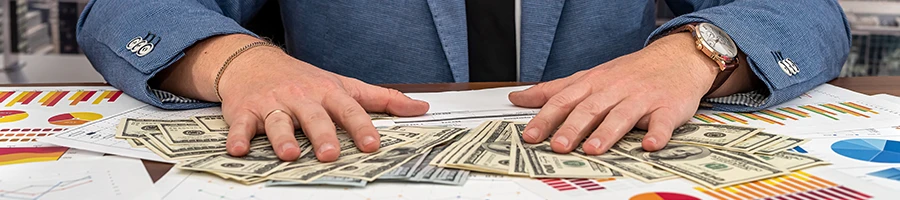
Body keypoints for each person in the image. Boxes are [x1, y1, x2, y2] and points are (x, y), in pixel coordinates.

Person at [77, 1, 850, 162]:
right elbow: (127, 8)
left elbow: (804, 12)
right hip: (350, 160)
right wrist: (241, 60)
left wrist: (693, 50)